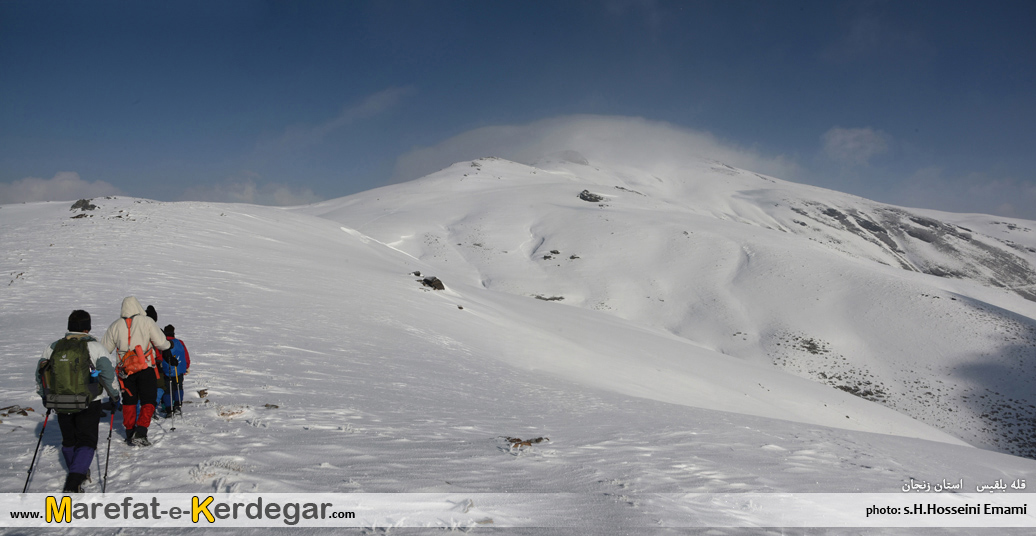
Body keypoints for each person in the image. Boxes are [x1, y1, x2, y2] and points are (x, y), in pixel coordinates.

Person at [35, 310, 119, 493]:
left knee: (69, 440)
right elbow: (107, 373)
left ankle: (78, 471)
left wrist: (45, 396)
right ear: (87, 328)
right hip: (89, 401)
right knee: (87, 440)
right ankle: (73, 483)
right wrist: (115, 395)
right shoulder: (95, 347)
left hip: (59, 401)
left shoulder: (53, 347)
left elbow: (41, 373)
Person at [101, 297, 171, 447]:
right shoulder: (146, 321)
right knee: (148, 400)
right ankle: (141, 431)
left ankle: (129, 431)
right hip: (145, 368)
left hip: (125, 371)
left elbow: (104, 349)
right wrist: (168, 345)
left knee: (129, 402)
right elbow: (161, 343)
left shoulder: (115, 325)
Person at [159, 324, 190, 417]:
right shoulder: (180, 342)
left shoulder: (162, 343)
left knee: (167, 390)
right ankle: (178, 405)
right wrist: (186, 367)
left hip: (166, 371)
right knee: (178, 387)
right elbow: (185, 356)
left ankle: (169, 409)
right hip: (179, 369)